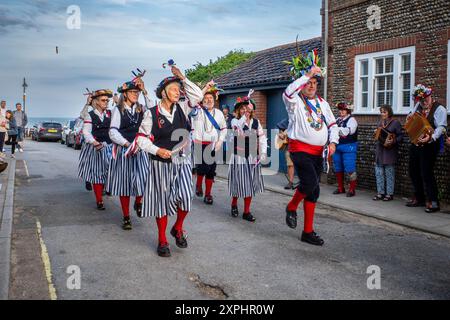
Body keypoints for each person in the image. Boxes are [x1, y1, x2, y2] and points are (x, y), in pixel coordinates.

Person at [137, 65, 203, 257]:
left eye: (178, 89)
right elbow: (141, 138)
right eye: (173, 89)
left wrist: (182, 77)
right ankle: (162, 240)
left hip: (182, 161)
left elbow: (197, 96)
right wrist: (157, 150)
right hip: (160, 164)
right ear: (163, 93)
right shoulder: (151, 113)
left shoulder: (182, 107)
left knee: (186, 197)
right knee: (162, 202)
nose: (178, 92)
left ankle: (177, 228)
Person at [283, 49, 339, 246]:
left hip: (318, 153)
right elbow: (288, 92)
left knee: (314, 191)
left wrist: (332, 142)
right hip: (299, 149)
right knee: (310, 183)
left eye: (314, 83)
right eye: (308, 83)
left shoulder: (323, 104)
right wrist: (306, 74)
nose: (311, 86)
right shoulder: (295, 102)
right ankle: (291, 206)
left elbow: (332, 125)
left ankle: (307, 232)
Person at [107, 77, 150, 230]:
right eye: (133, 92)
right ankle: (126, 216)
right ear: (124, 94)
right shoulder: (117, 110)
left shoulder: (141, 108)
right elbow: (112, 131)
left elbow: (153, 111)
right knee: (124, 184)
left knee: (144, 178)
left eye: (137, 92)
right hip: (124, 149)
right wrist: (126, 144)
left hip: (140, 148)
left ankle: (139, 201)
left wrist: (145, 91)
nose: (135, 94)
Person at [406, 84, 447, 213]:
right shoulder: (418, 106)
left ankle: (434, 201)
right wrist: (409, 117)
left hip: (430, 145)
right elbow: (411, 117)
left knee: (426, 172)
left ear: (430, 96)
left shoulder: (440, 109)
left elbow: (441, 127)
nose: (423, 102)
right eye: (421, 100)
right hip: (416, 142)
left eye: (425, 99)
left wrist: (431, 138)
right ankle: (419, 198)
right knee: (413, 170)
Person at [228, 95, 267, 222]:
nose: (245, 111)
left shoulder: (256, 123)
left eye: (248, 108)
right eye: (242, 109)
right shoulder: (235, 121)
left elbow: (261, 138)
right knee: (238, 182)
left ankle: (246, 211)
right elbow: (239, 125)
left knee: (249, 184)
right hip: (238, 156)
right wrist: (246, 114)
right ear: (238, 111)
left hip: (251, 157)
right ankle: (234, 204)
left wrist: (263, 153)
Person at [192, 81, 227, 204]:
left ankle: (208, 195)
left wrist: (220, 141)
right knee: (202, 169)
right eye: (205, 98)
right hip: (199, 144)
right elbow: (194, 100)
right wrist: (206, 87)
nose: (208, 100)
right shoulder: (197, 110)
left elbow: (223, 129)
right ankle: (198, 185)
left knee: (211, 170)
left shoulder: (219, 113)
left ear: (214, 99)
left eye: (210, 98)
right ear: (202, 100)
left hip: (214, 145)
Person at [78, 89, 114, 210]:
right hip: (96, 146)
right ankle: (99, 200)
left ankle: (106, 187)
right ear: (97, 102)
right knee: (97, 173)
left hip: (109, 146)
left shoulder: (111, 113)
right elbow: (86, 132)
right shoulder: (90, 115)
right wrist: (94, 142)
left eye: (107, 100)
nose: (106, 102)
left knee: (110, 171)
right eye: (103, 100)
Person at [373, 105, 403, 202]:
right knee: (379, 173)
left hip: (389, 152)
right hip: (380, 151)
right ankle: (380, 193)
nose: (382, 114)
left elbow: (400, 137)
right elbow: (378, 135)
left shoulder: (395, 123)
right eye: (381, 112)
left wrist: (393, 141)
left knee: (389, 173)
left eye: (384, 112)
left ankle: (389, 194)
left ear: (389, 112)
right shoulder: (380, 123)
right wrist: (376, 133)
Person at [332, 102, 358, 197]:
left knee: (350, 167)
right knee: (338, 167)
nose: (341, 112)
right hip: (338, 146)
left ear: (347, 111)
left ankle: (352, 189)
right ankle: (340, 187)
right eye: (340, 110)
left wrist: (336, 130)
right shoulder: (338, 120)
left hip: (349, 146)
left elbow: (348, 131)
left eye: (343, 110)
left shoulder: (352, 120)